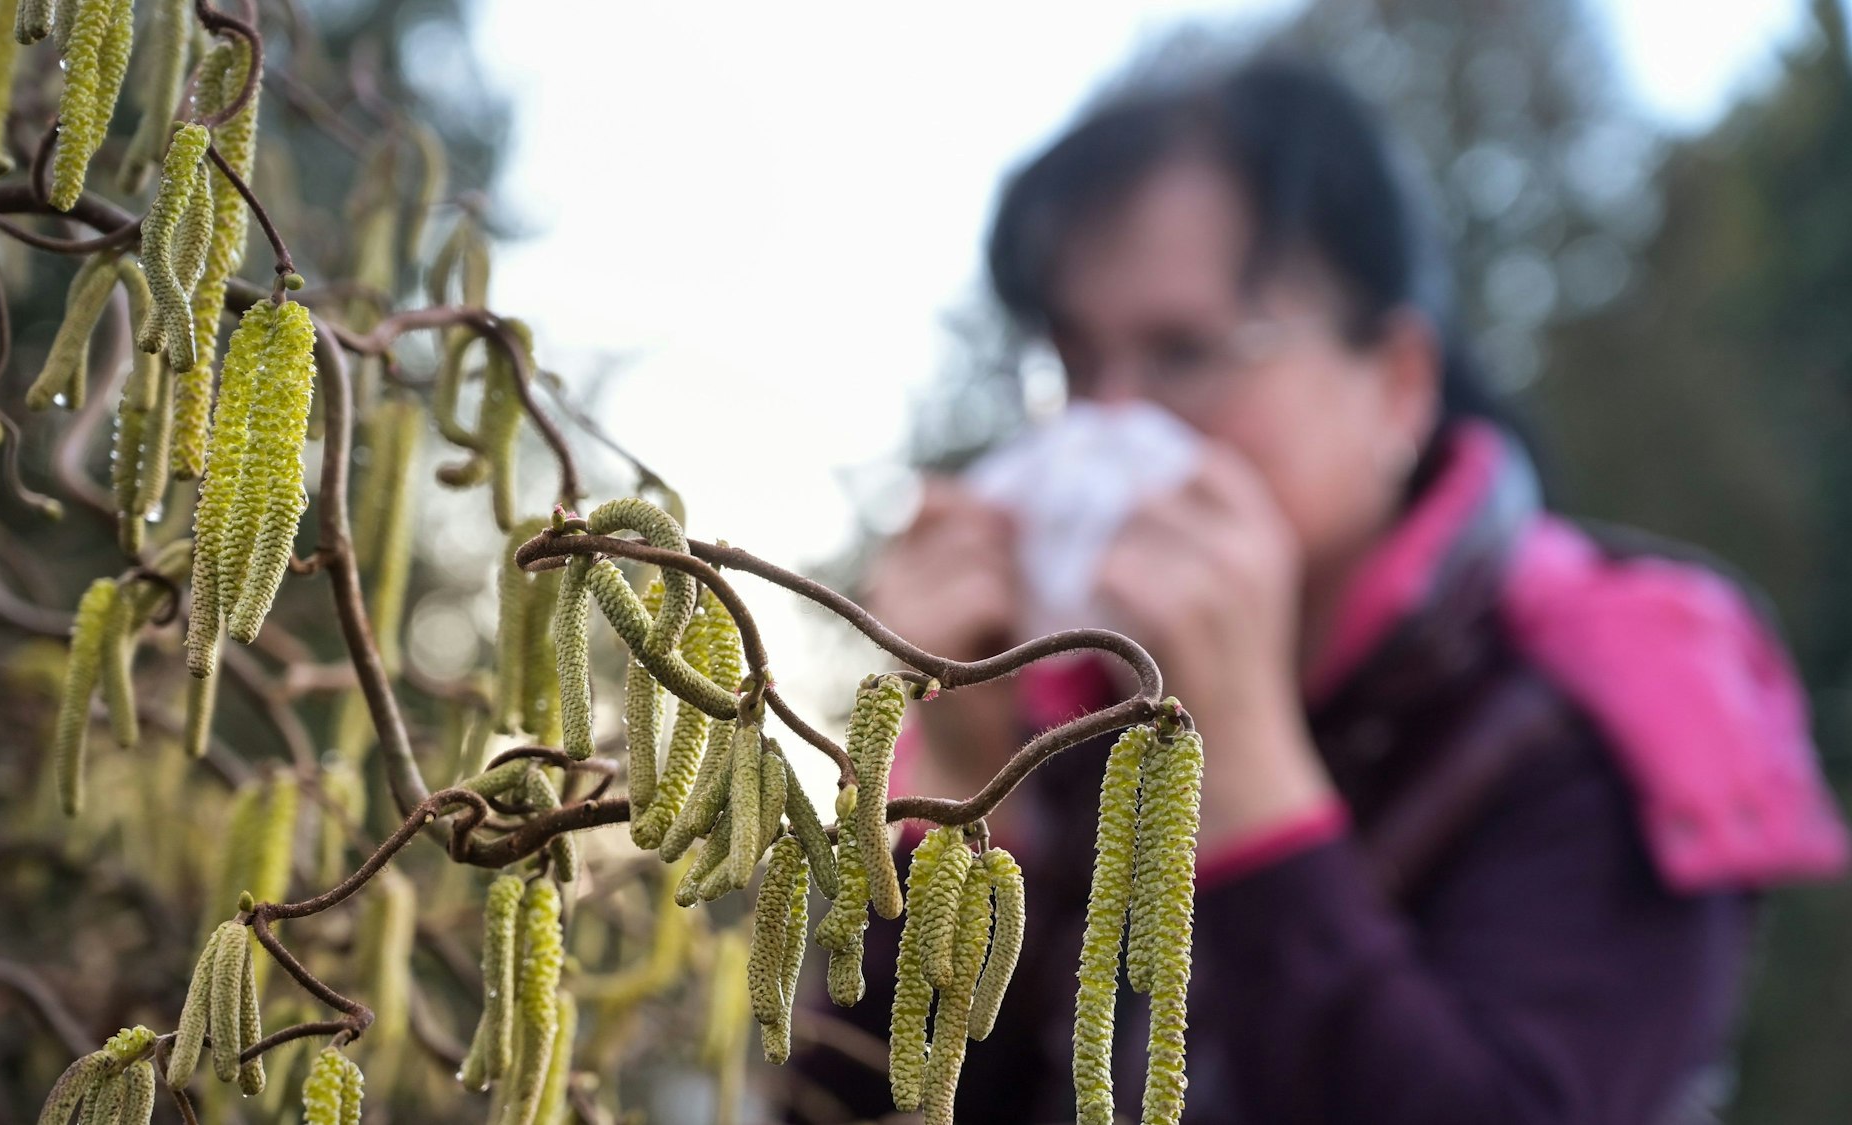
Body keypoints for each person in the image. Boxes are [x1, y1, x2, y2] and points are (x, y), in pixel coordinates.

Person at [790, 55, 1848, 1124]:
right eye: (1073, 366)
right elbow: (843, 1109)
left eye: (1183, 352)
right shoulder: (1071, 706)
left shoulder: (1606, 717)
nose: (1105, 429)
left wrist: (1246, 768)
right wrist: (969, 808)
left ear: (1395, 387)